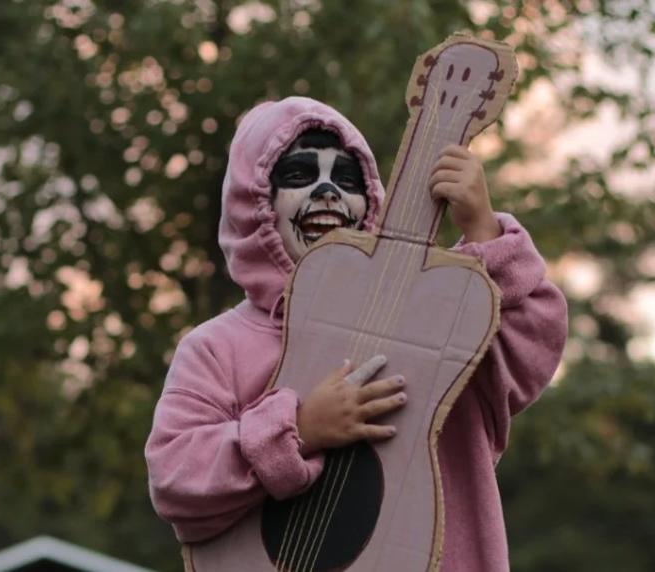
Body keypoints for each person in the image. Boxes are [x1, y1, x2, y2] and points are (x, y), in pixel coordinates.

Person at [144, 96, 567, 571]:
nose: (327, 192)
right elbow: (174, 476)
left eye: (347, 180)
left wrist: (486, 232)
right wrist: (298, 431)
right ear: (254, 201)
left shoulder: (437, 323)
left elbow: (533, 346)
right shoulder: (216, 349)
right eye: (301, 175)